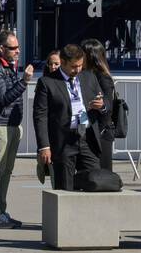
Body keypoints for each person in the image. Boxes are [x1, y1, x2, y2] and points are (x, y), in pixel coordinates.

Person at [33, 44, 107, 191]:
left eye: (80, 65)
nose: (78, 70)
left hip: (87, 138)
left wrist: (102, 106)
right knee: (65, 189)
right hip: (64, 142)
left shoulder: (89, 77)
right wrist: (44, 146)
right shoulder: (47, 82)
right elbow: (40, 116)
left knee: (96, 183)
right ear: (63, 62)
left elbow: (104, 102)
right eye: (74, 66)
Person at [0, 30, 31, 228]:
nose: (18, 51)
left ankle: (1, 211)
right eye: (13, 48)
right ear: (1, 49)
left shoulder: (7, 67)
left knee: (7, 171)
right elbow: (3, 98)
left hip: (12, 125)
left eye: (18, 47)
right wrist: (24, 82)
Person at [81, 38, 117, 171]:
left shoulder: (102, 76)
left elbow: (108, 103)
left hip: (101, 132)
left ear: (91, 56)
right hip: (86, 130)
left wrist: (102, 105)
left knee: (103, 174)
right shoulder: (80, 74)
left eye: (82, 54)